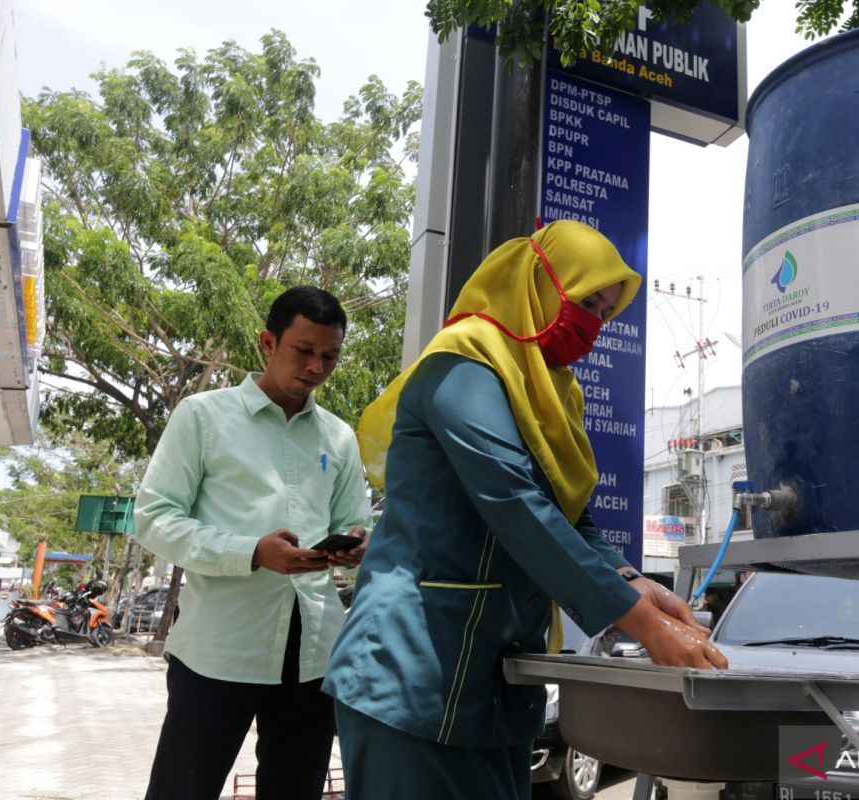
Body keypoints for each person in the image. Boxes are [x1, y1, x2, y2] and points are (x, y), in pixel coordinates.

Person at [324, 220, 727, 799]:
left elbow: (572, 515)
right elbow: (515, 503)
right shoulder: (460, 366)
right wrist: (642, 626)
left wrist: (638, 584)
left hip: (497, 678)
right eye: (585, 301)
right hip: (411, 670)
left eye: (605, 311)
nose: (593, 323)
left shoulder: (555, 392)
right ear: (537, 282)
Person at [134, 286, 370, 800]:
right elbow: (153, 518)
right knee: (183, 789)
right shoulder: (202, 416)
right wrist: (251, 551)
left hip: (313, 654)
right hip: (218, 650)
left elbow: (353, 518)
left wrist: (354, 544)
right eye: (303, 350)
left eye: (329, 355)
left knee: (296, 791)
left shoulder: (339, 437)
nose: (316, 366)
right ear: (268, 342)